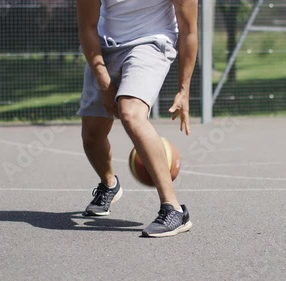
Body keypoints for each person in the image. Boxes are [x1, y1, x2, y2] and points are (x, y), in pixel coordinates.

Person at [76, 0, 198, 237]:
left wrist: (184, 90)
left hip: (152, 42)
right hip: (104, 45)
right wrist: (103, 82)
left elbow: (188, 30)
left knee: (131, 113)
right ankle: (109, 184)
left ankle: (173, 209)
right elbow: (87, 28)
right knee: (92, 136)